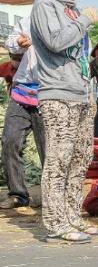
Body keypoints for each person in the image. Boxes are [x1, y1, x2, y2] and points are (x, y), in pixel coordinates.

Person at [30, 0, 98, 244]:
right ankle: (56, 223)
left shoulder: (69, 6)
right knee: (59, 160)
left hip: (81, 92)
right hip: (57, 93)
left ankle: (73, 216)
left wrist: (90, 92)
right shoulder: (45, 4)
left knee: (80, 158)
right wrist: (85, 20)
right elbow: (56, 41)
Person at [0, 15, 46, 210]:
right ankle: (18, 194)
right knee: (10, 140)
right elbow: (11, 42)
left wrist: (35, 43)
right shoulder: (29, 20)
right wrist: (19, 42)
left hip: (47, 92)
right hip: (21, 92)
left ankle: (53, 196)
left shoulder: (65, 21)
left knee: (48, 149)